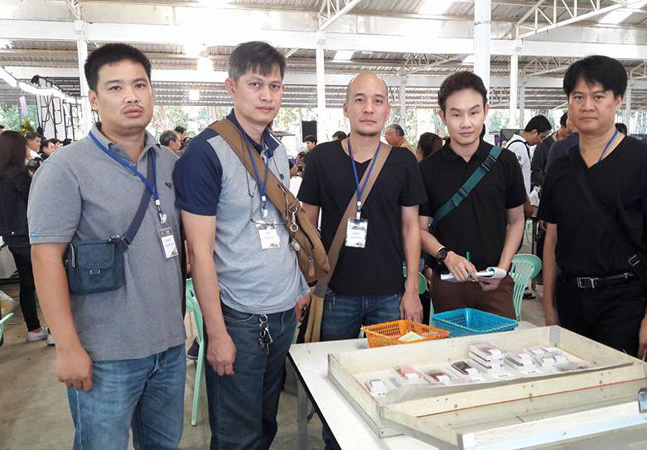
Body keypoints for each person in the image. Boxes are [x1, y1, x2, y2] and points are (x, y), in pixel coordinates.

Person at [28, 43, 186, 449]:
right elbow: (45, 259)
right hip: (104, 355)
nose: (131, 96)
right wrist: (67, 347)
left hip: (169, 347)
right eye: (116, 88)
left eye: (140, 85)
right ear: (94, 99)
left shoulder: (169, 163)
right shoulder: (65, 169)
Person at [174, 41, 309, 449]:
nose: (267, 95)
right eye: (256, 84)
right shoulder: (205, 154)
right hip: (239, 317)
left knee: (266, 423)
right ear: (231, 87)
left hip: (282, 311)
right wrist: (216, 333)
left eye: (275, 86)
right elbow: (199, 253)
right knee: (237, 434)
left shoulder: (277, 149)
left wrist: (298, 288)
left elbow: (282, 227)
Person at [298, 71, 425, 448]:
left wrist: (412, 289)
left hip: (389, 294)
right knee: (334, 383)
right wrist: (304, 284)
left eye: (377, 100)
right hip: (335, 293)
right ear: (346, 108)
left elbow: (411, 228)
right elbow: (307, 226)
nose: (369, 108)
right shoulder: (321, 158)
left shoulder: (403, 162)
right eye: (360, 99)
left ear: (387, 110)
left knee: (390, 381)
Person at [538, 55, 647, 361]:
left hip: (624, 300)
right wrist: (549, 307)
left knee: (618, 384)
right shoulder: (560, 168)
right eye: (578, 97)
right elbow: (551, 239)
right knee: (572, 380)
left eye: (598, 96)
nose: (587, 105)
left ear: (617, 101)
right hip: (570, 299)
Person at [418, 71, 527, 319]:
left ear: (486, 111)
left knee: (501, 343)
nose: (466, 123)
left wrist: (503, 268)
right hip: (448, 284)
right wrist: (446, 255)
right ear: (442, 116)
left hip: (495, 284)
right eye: (456, 114)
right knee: (451, 343)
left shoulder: (505, 162)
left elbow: (516, 220)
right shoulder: (427, 170)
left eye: (474, 112)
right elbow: (419, 229)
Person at [0, 131, 50, 343]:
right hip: (27, 234)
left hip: (10, 235)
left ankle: (34, 329)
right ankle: (54, 331)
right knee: (48, 280)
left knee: (28, 281)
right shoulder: (17, 175)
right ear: (15, 149)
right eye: (23, 146)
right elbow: (36, 199)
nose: (27, 149)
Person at [505, 115, 551, 195]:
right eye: (542, 137)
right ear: (534, 132)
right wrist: (526, 200)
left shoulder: (517, 143)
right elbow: (514, 178)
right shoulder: (519, 147)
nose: (541, 141)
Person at [531, 113, 567, 188]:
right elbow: (535, 171)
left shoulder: (575, 144)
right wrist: (549, 185)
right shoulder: (543, 145)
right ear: (562, 126)